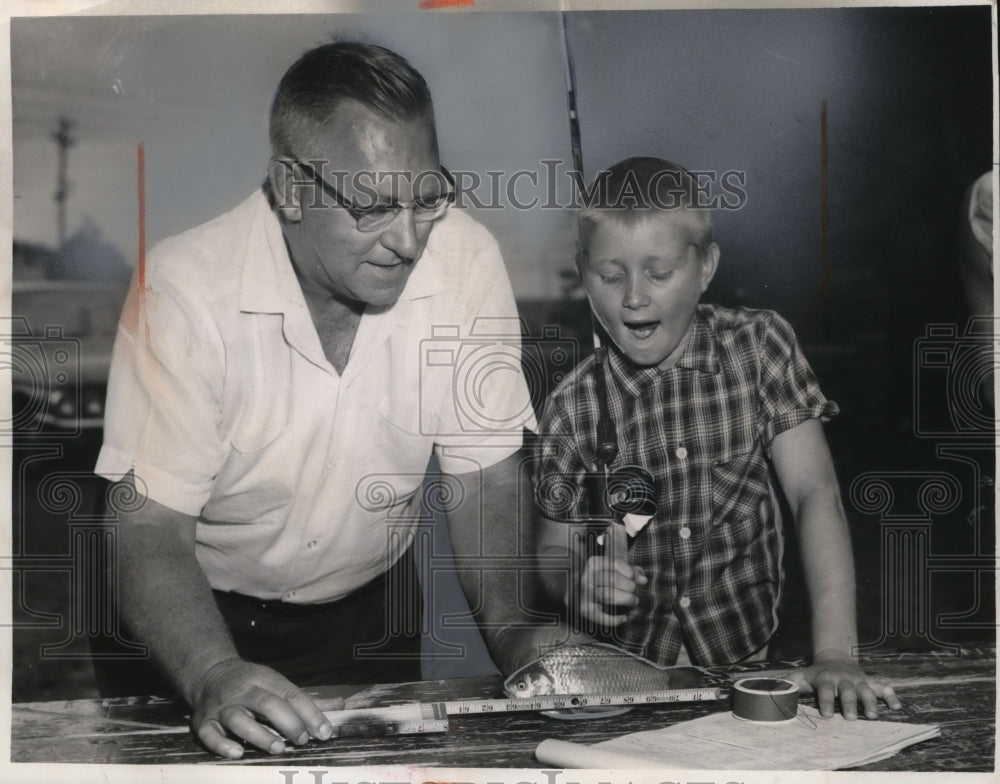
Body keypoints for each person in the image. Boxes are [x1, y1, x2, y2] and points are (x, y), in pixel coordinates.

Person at [95, 41, 553, 759]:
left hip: (368, 618)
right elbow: (146, 527)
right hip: (191, 620)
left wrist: (512, 626)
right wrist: (213, 671)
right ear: (292, 187)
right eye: (372, 208)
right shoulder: (183, 290)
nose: (407, 240)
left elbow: (487, 473)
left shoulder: (466, 260)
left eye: (426, 197)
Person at [532, 156, 902, 720]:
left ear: (705, 269)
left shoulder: (759, 346)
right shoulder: (569, 406)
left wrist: (834, 655)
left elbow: (814, 494)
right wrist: (576, 585)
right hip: (625, 675)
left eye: (659, 273)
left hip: (748, 658)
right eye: (611, 276)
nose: (634, 296)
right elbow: (552, 550)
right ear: (583, 275)